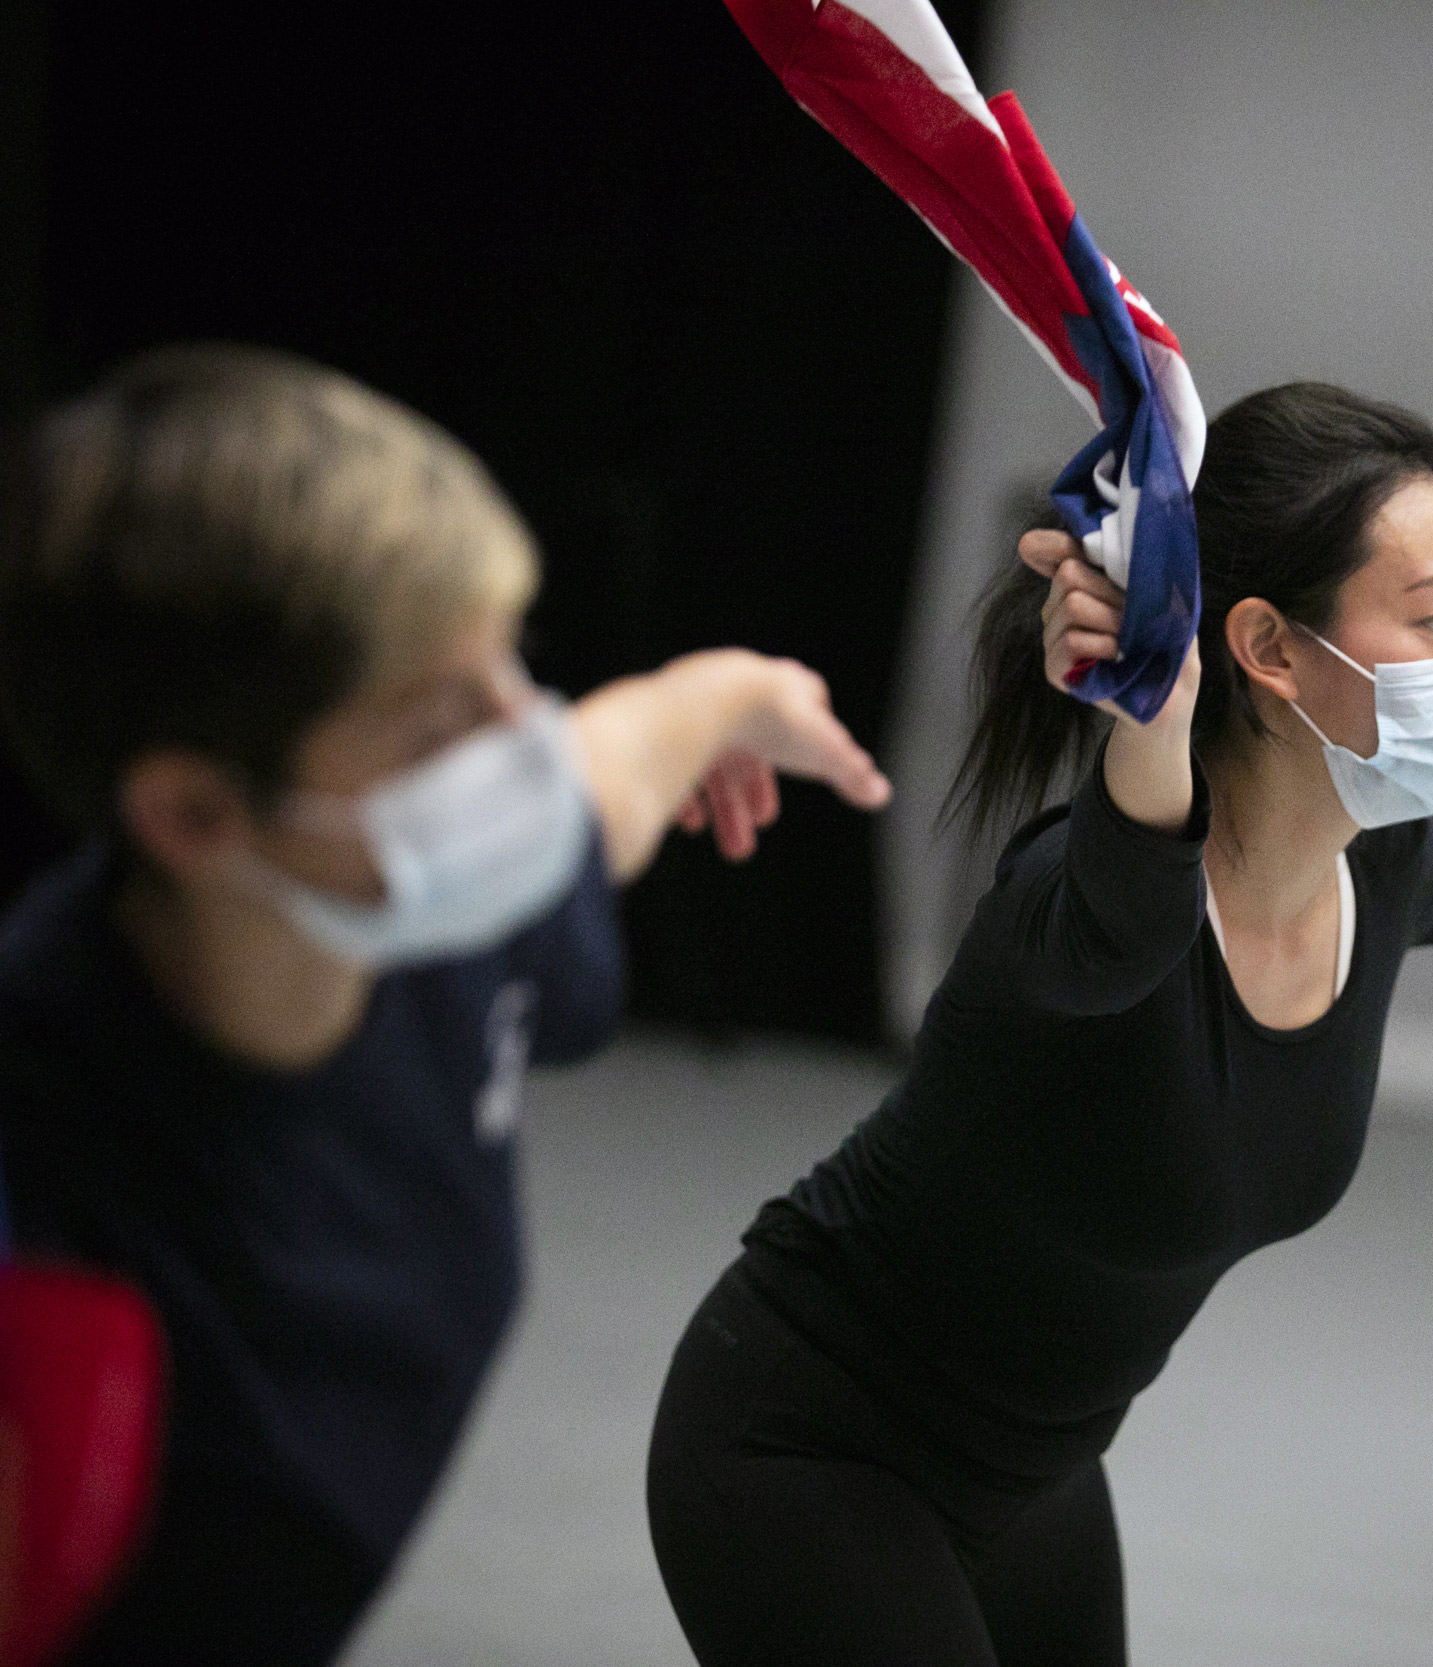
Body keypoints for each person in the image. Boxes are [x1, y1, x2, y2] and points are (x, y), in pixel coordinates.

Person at [644, 381, 1433, 1666]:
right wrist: (1152, 711)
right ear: (1271, 649)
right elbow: (1130, 887)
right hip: (811, 1441)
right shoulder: (1072, 909)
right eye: (1431, 617)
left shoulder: (1388, 869)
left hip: (1032, 1474)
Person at [0, 344, 892, 1667]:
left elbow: (614, 757)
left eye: (513, 659)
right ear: (195, 811)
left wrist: (732, 699)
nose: (518, 741)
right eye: (436, 719)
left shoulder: (427, 902)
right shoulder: (56, 1249)